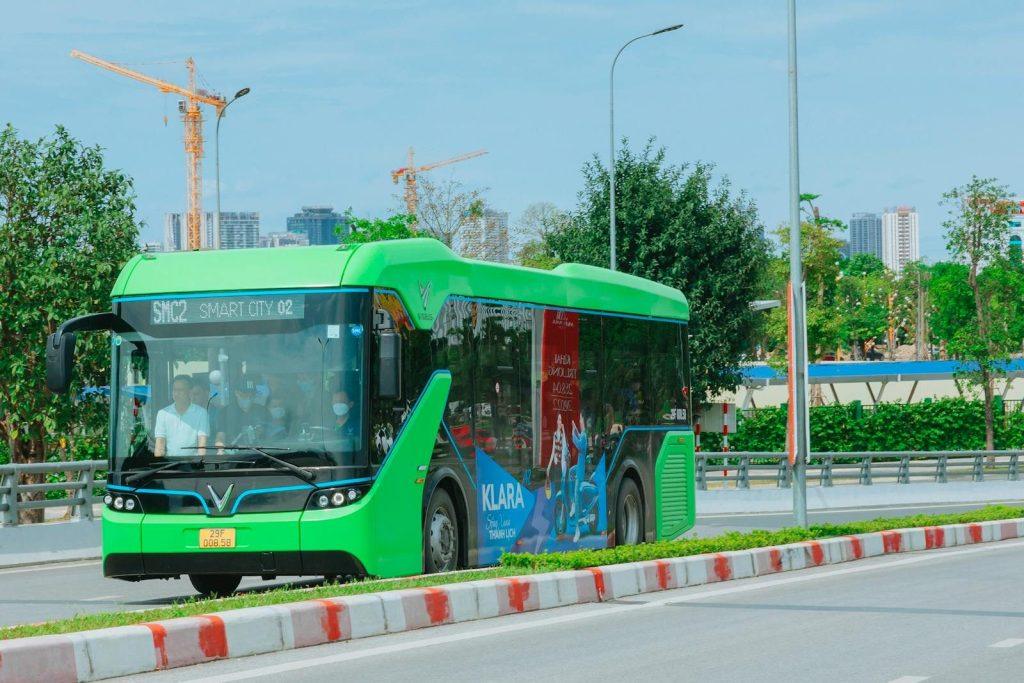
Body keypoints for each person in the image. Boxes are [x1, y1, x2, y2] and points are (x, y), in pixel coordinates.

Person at [153, 375, 209, 458]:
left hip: (193, 465)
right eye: (174, 390)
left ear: (189, 392)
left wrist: (200, 465)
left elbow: (202, 445)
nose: (176, 393)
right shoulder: (163, 413)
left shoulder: (201, 413)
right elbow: (160, 445)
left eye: (180, 390)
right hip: (169, 465)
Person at [215, 378, 269, 447]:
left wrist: (260, 432)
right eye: (244, 395)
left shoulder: (263, 411)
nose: (248, 398)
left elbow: (273, 436)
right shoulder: (225, 412)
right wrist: (220, 447)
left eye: (251, 395)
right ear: (236, 393)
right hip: (234, 454)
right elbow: (220, 437)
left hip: (262, 454)